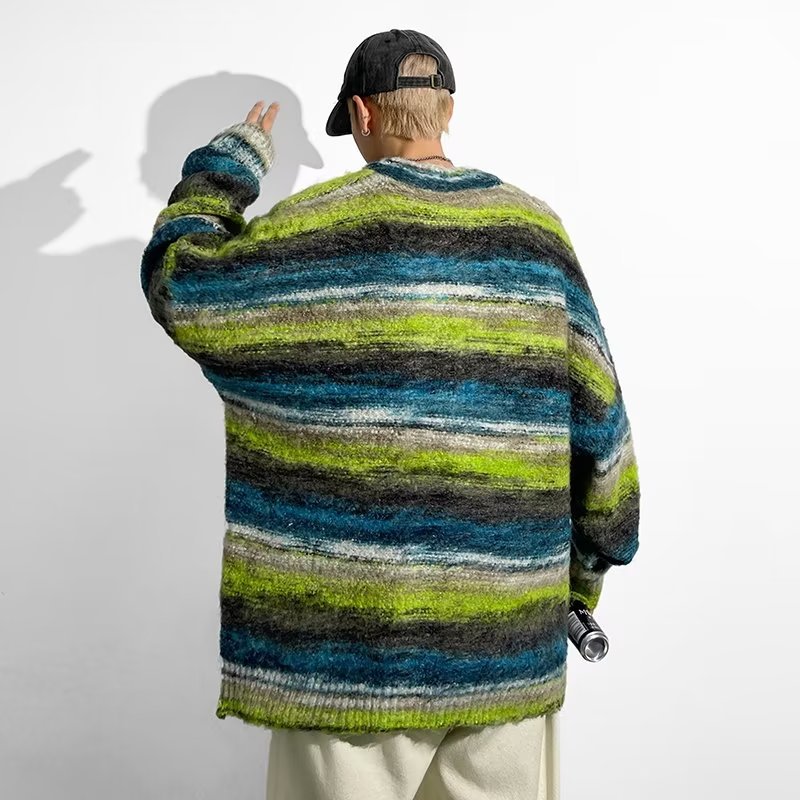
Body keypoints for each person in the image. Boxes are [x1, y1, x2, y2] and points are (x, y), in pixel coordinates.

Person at [140, 27, 640, 800]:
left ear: (363, 113)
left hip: (346, 661)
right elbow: (602, 434)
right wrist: (582, 581)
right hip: (505, 644)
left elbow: (182, 283)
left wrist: (225, 170)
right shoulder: (533, 236)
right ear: (447, 111)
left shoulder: (313, 227)